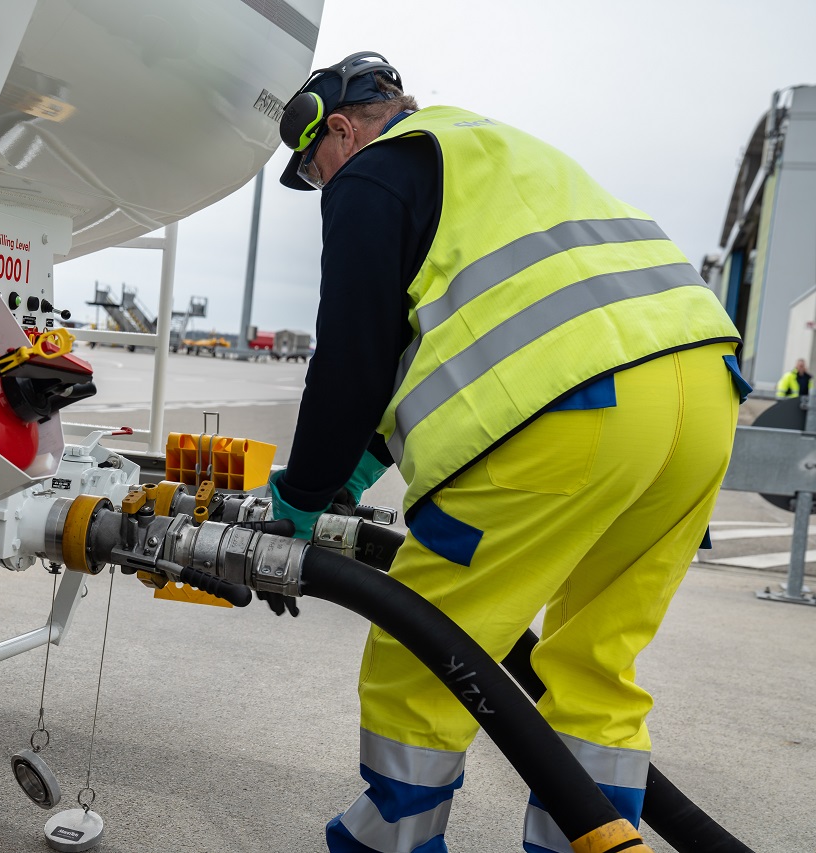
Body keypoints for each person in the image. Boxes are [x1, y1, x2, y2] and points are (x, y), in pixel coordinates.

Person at [266, 51, 749, 853]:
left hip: (575, 414)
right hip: (702, 400)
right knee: (593, 664)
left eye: (315, 171)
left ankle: (389, 844)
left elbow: (352, 357)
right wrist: (357, 469)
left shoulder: (373, 173)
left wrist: (303, 496)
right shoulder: (497, 150)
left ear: (340, 131)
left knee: (419, 654)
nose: (324, 186)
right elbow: (454, 345)